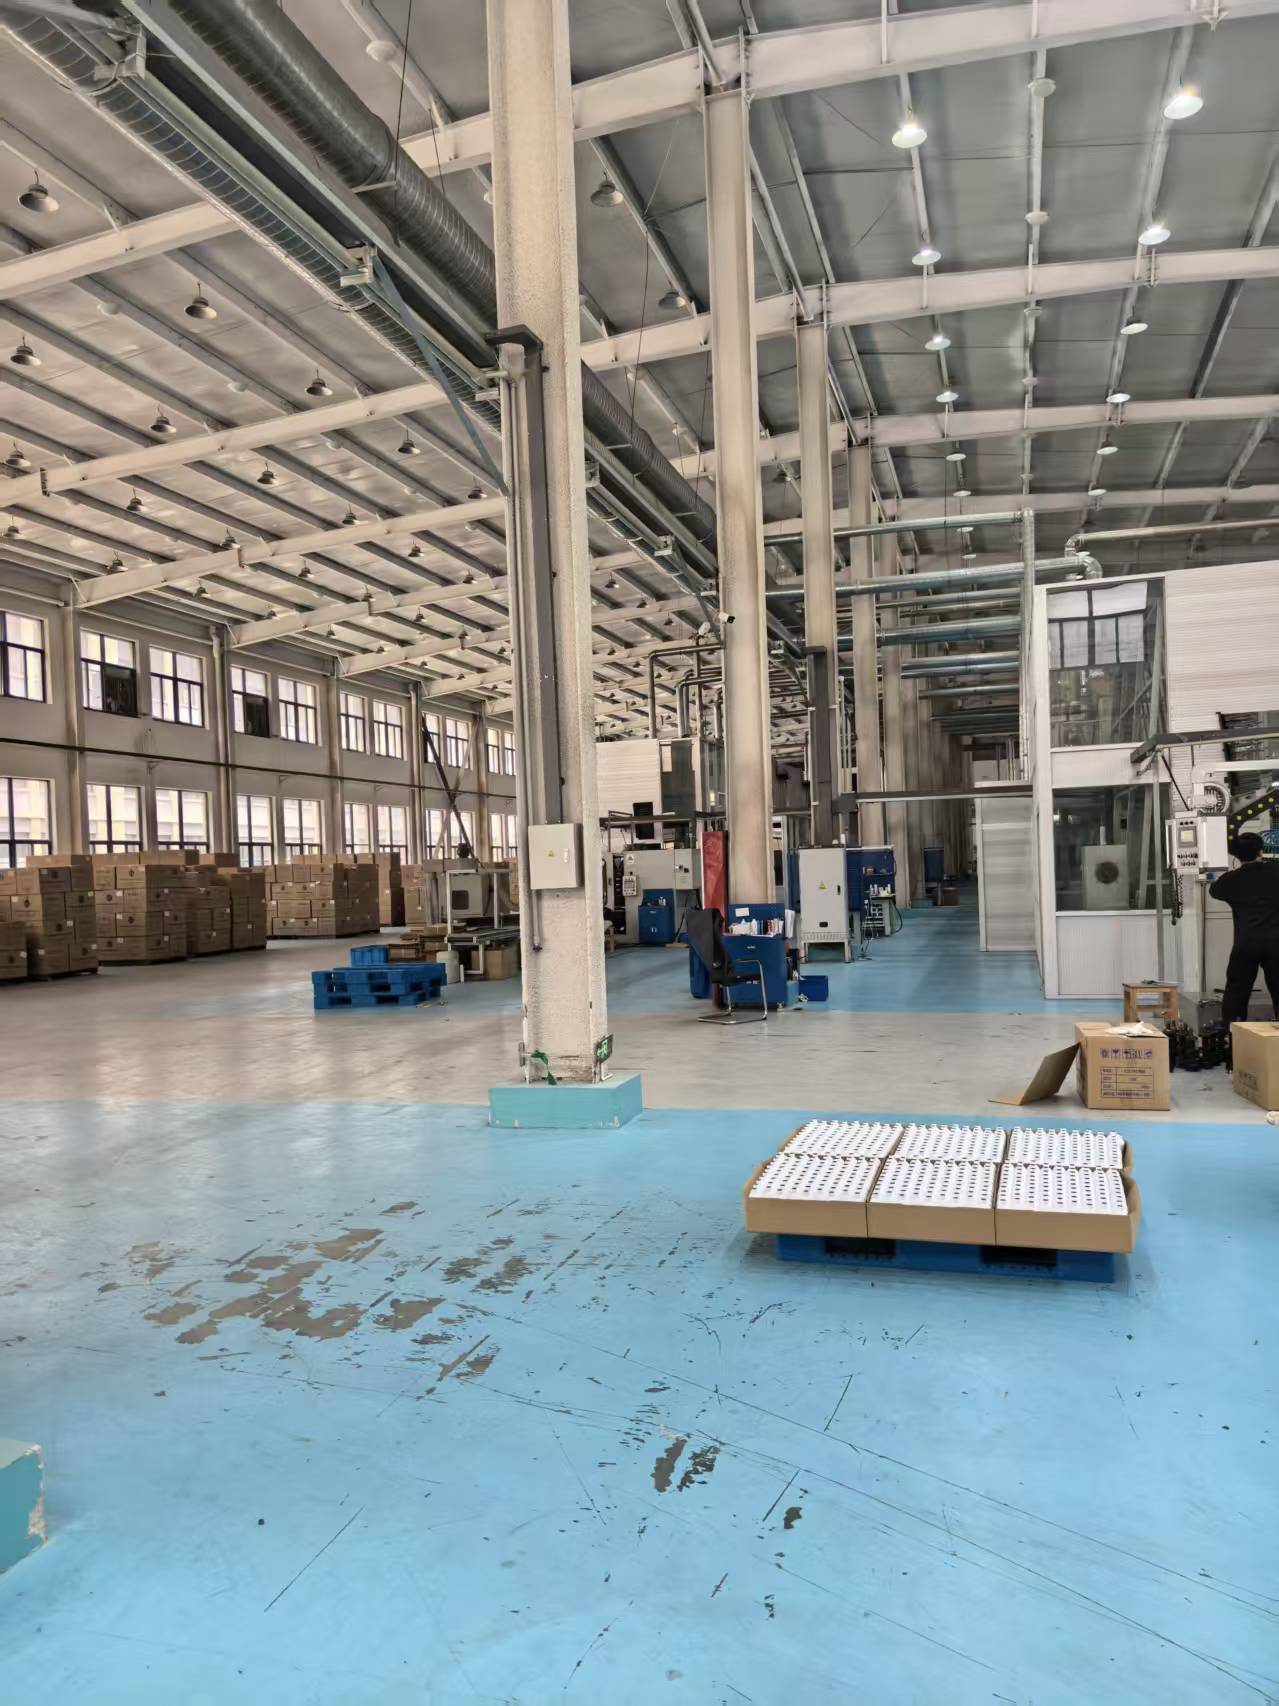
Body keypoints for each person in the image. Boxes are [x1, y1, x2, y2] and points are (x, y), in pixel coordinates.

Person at [1208, 832, 1279, 1023]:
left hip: (1246, 944)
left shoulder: (1231, 879)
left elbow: (1214, 891)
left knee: (1237, 992)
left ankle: (1233, 1033)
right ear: (1261, 851)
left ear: (1237, 856)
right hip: (1276, 943)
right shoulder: (1276, 870)